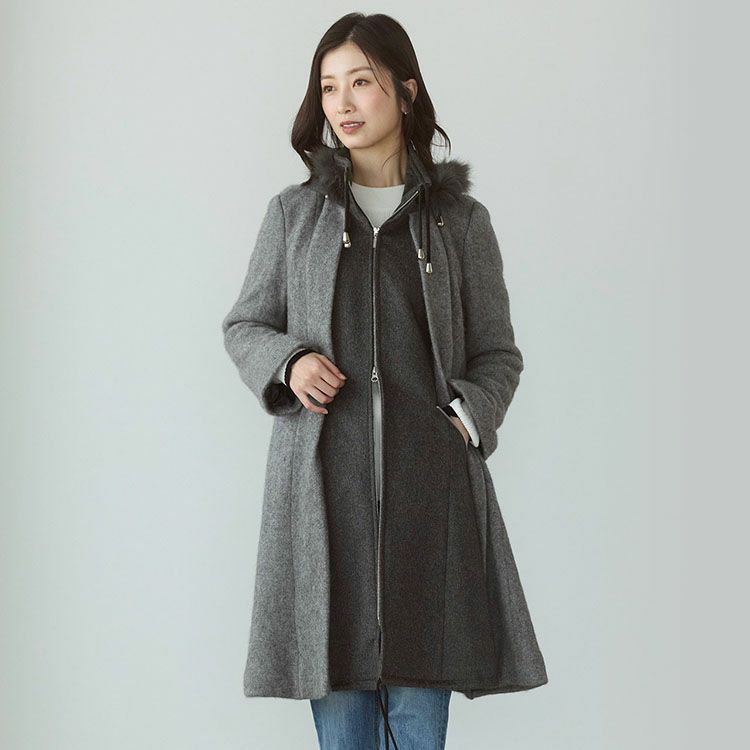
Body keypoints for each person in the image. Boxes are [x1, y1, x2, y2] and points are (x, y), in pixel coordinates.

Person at [222, 12, 548, 750]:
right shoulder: (294, 215)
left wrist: (465, 419)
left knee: (417, 729)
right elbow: (245, 325)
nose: (342, 103)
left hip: (429, 506)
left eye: (361, 82)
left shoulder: (460, 222)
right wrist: (289, 362)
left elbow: (498, 353)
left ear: (405, 91)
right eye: (328, 86)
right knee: (343, 735)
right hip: (322, 501)